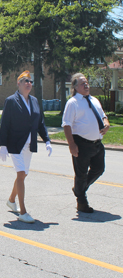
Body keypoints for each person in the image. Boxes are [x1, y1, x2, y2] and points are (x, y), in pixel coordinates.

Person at [0, 70, 52, 224]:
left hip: (29, 144)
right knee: (21, 174)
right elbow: (5, 124)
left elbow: (40, 123)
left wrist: (47, 140)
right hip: (15, 144)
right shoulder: (11, 101)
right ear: (18, 83)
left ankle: (11, 200)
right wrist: (3, 145)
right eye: (25, 81)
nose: (29, 83)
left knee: (23, 175)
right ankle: (23, 212)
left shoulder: (34, 101)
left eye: (30, 81)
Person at [62, 73, 110, 213]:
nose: (86, 85)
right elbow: (66, 124)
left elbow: (103, 115)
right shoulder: (73, 103)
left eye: (87, 82)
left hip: (97, 144)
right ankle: (82, 202)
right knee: (81, 174)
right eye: (83, 83)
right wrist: (71, 144)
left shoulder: (94, 100)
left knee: (99, 169)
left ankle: (78, 189)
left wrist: (106, 123)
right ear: (75, 87)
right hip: (81, 144)